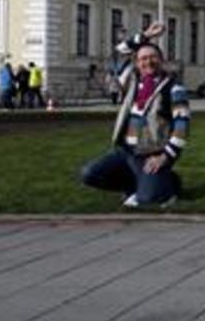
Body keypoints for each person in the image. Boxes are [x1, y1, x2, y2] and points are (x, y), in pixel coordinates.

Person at [80, 24, 189, 207]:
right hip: (126, 151)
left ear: (162, 60)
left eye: (153, 57)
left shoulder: (174, 88)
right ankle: (138, 183)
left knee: (148, 200)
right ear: (137, 63)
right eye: (143, 59)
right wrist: (145, 36)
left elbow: (182, 126)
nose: (148, 62)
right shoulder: (132, 82)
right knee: (89, 174)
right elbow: (117, 54)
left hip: (151, 153)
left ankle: (170, 182)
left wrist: (165, 157)